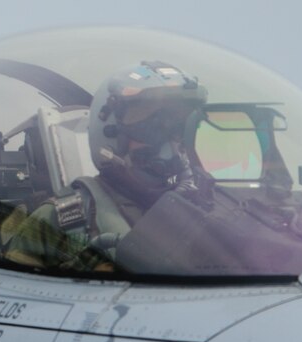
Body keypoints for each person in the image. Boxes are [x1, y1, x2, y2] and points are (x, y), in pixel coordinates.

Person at [87, 61, 211, 222]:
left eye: (179, 125)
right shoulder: (79, 217)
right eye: (150, 126)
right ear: (108, 130)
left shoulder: (198, 205)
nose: (170, 140)